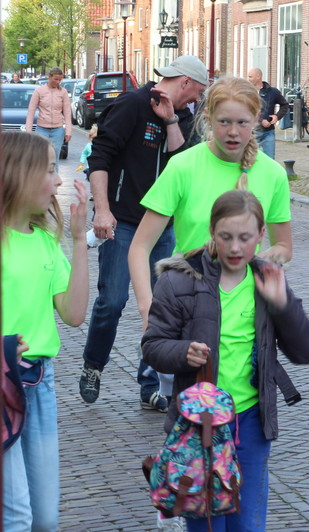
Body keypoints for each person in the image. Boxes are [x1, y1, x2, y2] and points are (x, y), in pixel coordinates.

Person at [142, 189, 309, 532]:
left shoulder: (267, 279)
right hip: (199, 424)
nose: (236, 248)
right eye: (226, 237)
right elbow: (152, 346)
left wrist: (282, 305)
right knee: (206, 523)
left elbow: (308, 351)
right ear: (212, 231)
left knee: (247, 524)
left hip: (251, 422)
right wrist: (183, 352)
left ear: (261, 234)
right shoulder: (180, 280)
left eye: (245, 238)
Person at [78, 55, 208, 412]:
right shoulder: (131, 105)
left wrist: (170, 121)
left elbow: (183, 165)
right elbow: (99, 158)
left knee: (162, 308)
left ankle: (150, 384)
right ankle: (93, 365)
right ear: (184, 82)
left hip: (162, 225)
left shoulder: (183, 117)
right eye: (196, 92)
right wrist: (102, 209)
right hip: (122, 220)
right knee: (113, 300)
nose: (196, 100)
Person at [129, 75, 292, 330]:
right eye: (224, 122)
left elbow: (284, 246)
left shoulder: (273, 175)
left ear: (256, 118)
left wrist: (254, 261)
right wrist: (147, 308)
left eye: (242, 122)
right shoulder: (183, 167)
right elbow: (139, 247)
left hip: (246, 318)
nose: (233, 132)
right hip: (185, 309)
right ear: (208, 118)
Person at [2, 131, 89, 531]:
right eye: (51, 170)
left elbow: (74, 313)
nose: (58, 181)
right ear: (19, 173)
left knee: (45, 518)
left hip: (41, 382)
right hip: (3, 383)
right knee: (16, 515)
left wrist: (78, 241)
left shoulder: (44, 243)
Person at [25, 67, 71, 171]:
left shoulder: (63, 92)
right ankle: (42, 179)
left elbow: (67, 112)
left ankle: (54, 180)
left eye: (60, 80)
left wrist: (68, 131)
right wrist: (29, 131)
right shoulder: (39, 91)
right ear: (49, 77)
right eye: (56, 79)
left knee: (55, 158)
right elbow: (31, 111)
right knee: (42, 157)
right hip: (42, 129)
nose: (58, 82)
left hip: (58, 129)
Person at [247, 67, 289, 160]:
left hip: (268, 132)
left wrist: (277, 116)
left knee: (270, 159)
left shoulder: (272, 92)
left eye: (250, 77)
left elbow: (285, 105)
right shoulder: (247, 93)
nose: (248, 79)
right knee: (250, 159)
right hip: (252, 132)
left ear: (258, 77)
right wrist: (261, 120)